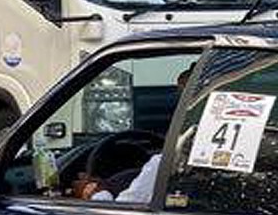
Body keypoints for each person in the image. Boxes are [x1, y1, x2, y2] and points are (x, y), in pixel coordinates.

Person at [73, 63, 195, 204]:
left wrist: (93, 192)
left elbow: (120, 211)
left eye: (183, 101)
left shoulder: (164, 166)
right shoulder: (199, 165)